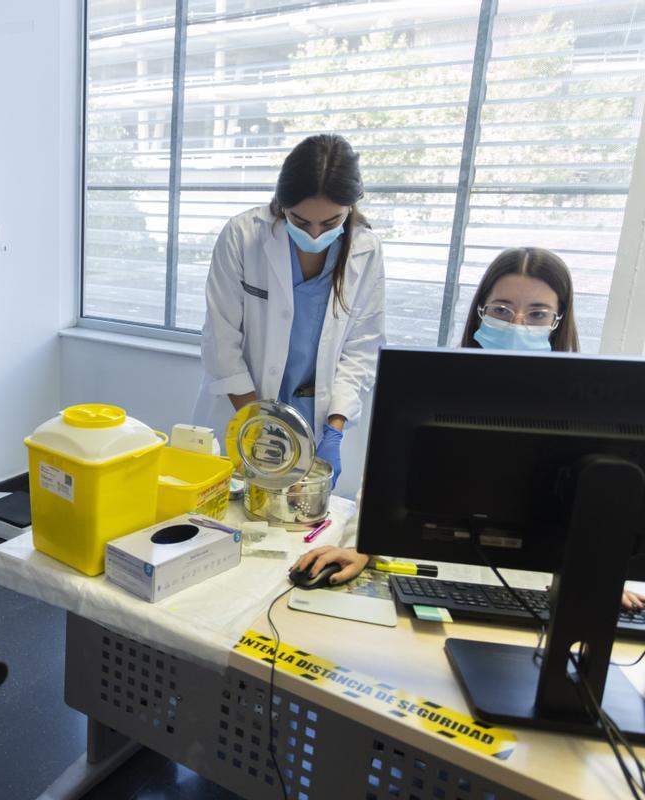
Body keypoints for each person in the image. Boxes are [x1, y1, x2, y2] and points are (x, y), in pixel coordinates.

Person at [294, 247, 645, 610]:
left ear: (558, 320)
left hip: (545, 586)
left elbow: (605, 500)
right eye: (502, 310)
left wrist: (600, 573)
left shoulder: (591, 400)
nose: (517, 324)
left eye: (537, 313)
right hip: (436, 576)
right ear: (481, 312)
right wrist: (360, 545)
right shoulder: (434, 385)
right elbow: (387, 483)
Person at [194, 134, 385, 489]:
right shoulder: (243, 236)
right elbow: (221, 342)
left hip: (321, 417)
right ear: (282, 204)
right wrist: (257, 425)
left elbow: (362, 348)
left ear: (349, 208)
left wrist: (335, 429)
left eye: (329, 223)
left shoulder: (365, 250)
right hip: (244, 410)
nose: (314, 234)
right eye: (300, 221)